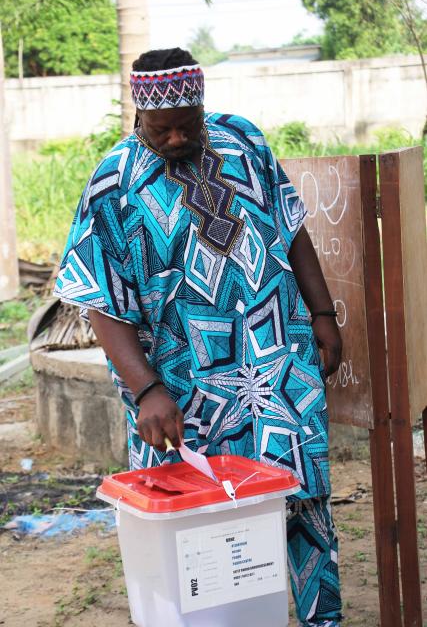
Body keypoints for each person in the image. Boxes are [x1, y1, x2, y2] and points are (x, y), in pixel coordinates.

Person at [54, 47, 343, 627]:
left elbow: (292, 228)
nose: (179, 139)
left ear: (203, 104)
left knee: (304, 495)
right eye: (163, 130)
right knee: (205, 527)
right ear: (140, 115)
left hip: (278, 364)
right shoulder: (114, 184)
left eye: (189, 124)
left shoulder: (243, 142)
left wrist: (322, 314)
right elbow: (97, 298)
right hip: (187, 388)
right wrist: (146, 392)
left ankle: (323, 619)